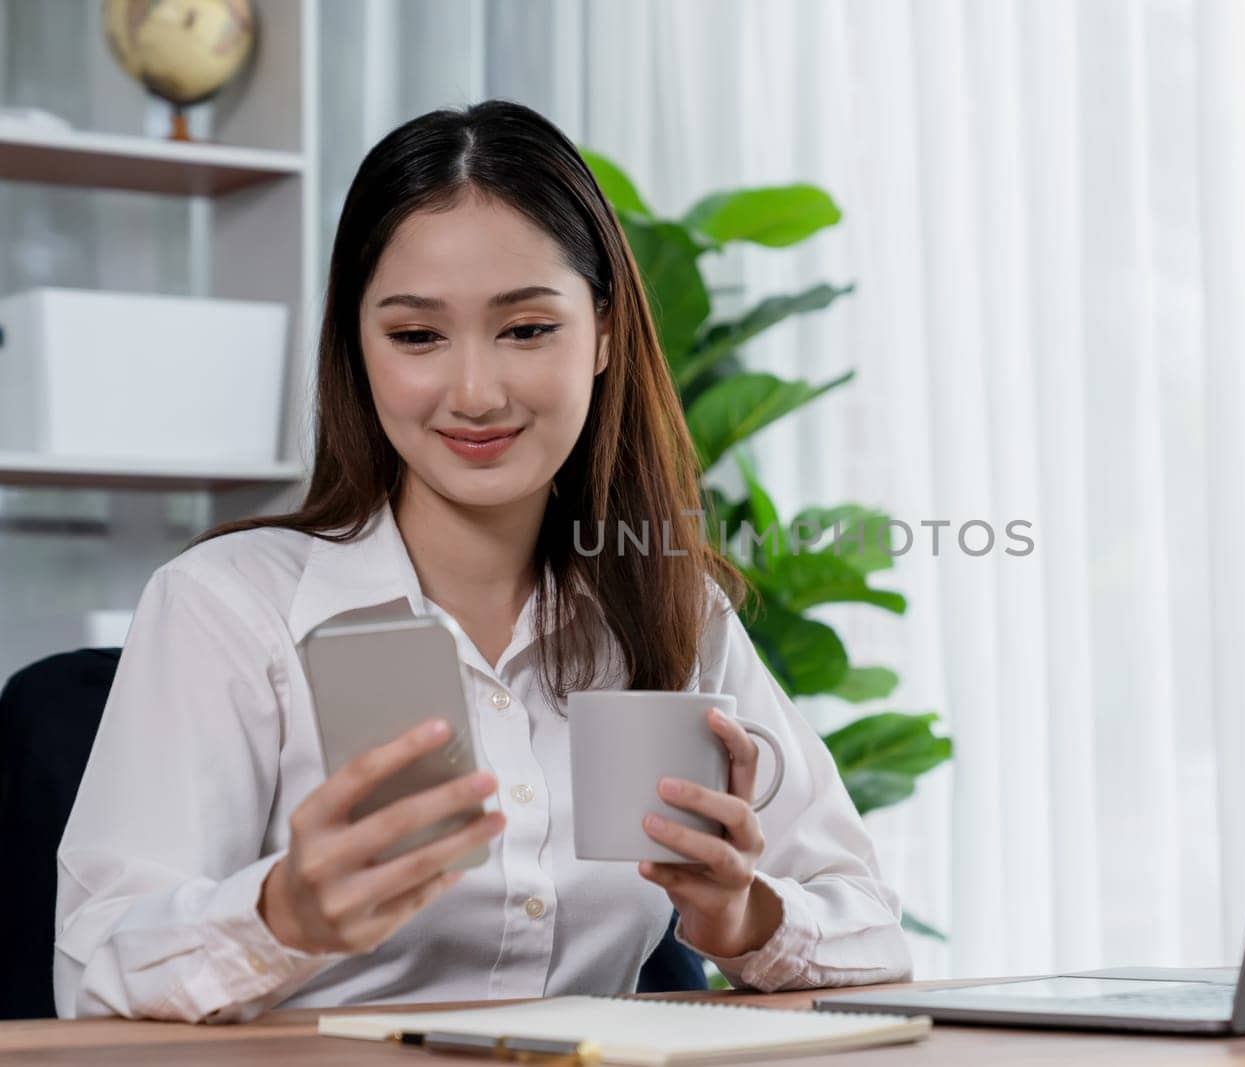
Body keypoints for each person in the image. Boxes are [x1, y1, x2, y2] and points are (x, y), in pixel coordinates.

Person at [53, 99, 911, 1022]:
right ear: (360, 346)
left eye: (528, 329)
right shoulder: (231, 606)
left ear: (605, 336)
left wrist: (745, 915)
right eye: (417, 336)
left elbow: (870, 926)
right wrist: (281, 913)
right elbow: (95, 967)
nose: (474, 392)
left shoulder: (670, 609)